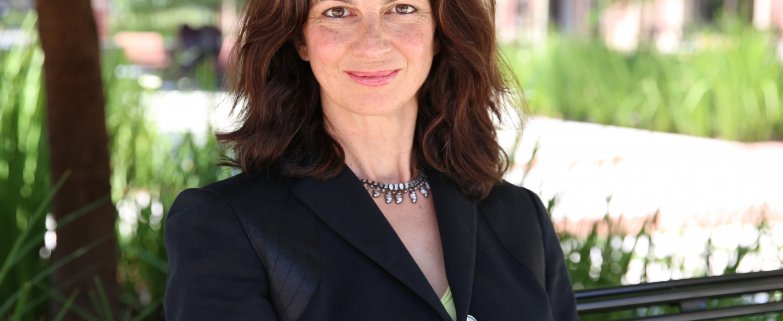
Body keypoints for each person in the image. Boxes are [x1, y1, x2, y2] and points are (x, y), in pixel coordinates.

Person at [163, 0, 580, 320]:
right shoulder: (225, 225)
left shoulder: (521, 217)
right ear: (300, 39)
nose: (372, 43)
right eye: (338, 11)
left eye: (402, 8)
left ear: (439, 31)